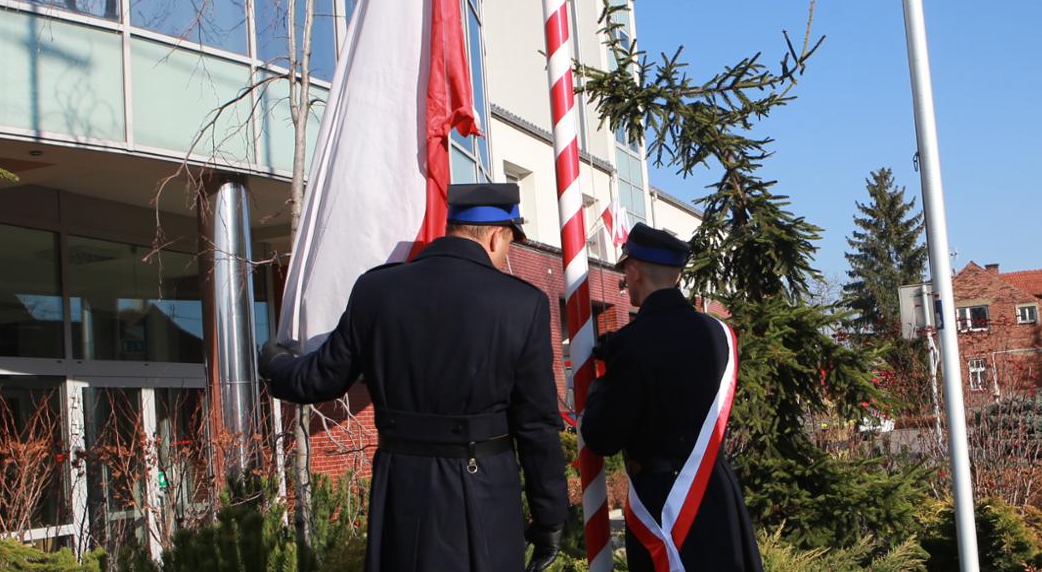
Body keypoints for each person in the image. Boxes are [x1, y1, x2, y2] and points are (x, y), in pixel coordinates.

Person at [260, 183, 567, 572]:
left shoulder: (377, 288)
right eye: (508, 245)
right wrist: (549, 517)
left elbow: (320, 378)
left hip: (401, 487)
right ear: (496, 235)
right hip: (483, 490)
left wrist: (274, 364)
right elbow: (536, 424)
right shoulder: (523, 303)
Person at [580, 224, 763, 572]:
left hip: (662, 499)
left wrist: (599, 390)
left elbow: (603, 436)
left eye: (625, 272)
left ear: (634, 271)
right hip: (714, 490)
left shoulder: (631, 343)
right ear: (678, 276)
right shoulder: (720, 333)